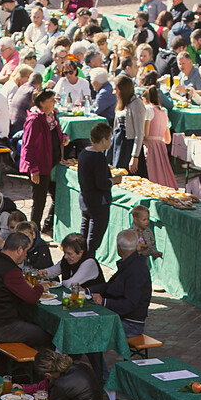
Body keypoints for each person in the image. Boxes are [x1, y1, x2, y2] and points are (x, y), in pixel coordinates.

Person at [0, 229, 54, 355]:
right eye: (25, 252)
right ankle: (39, 371)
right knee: (48, 336)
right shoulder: (10, 270)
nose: (25, 256)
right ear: (19, 249)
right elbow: (32, 298)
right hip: (3, 326)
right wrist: (40, 287)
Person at [18, 88, 63, 234]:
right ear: (42, 103)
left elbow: (54, 135)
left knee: (57, 196)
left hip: (52, 164)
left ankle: (48, 225)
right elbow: (28, 146)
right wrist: (33, 169)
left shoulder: (52, 116)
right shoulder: (35, 120)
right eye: (51, 100)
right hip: (40, 166)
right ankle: (33, 232)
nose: (54, 103)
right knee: (39, 201)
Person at [96, 227, 151, 339]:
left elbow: (130, 304)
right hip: (122, 318)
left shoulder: (135, 269)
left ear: (118, 248)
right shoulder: (130, 263)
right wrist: (87, 291)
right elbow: (111, 286)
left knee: (93, 329)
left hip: (131, 324)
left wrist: (104, 302)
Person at [76, 120, 113, 260]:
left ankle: (80, 261)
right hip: (98, 203)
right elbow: (101, 183)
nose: (110, 142)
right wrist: (113, 180)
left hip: (85, 200)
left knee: (83, 237)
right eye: (109, 139)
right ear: (103, 140)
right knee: (93, 241)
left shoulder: (84, 153)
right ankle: (88, 264)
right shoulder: (99, 157)